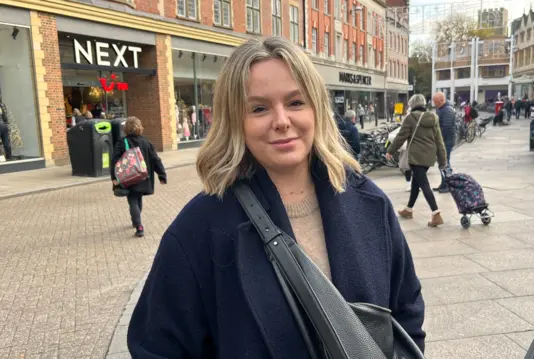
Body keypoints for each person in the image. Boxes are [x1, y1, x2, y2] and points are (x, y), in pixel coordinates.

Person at [127, 37, 425, 358]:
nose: (281, 121)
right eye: (259, 108)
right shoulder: (199, 228)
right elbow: (156, 347)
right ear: (235, 120)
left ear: (317, 109)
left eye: (296, 102)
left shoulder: (369, 204)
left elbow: (406, 312)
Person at [386, 94, 447, 227]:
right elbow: (439, 141)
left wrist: (390, 151)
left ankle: (436, 213)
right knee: (416, 181)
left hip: (416, 156)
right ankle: (408, 210)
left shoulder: (410, 118)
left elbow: (401, 137)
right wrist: (442, 160)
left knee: (423, 184)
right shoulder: (434, 117)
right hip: (429, 156)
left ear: (412, 105)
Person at [111, 117, 167, 237]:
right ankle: (136, 220)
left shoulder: (122, 142)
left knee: (133, 201)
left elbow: (114, 161)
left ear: (126, 129)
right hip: (143, 177)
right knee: (138, 198)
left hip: (129, 178)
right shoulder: (146, 142)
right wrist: (162, 175)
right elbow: (155, 159)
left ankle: (139, 225)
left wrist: (114, 178)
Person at [431, 92, 456, 193]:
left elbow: (446, 128)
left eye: (436, 102)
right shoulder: (441, 109)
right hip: (443, 141)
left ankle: (448, 185)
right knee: (442, 163)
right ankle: (444, 183)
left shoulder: (448, 110)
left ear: (441, 100)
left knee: (445, 163)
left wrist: (439, 141)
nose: (434, 104)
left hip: (447, 141)